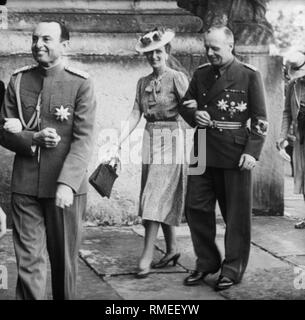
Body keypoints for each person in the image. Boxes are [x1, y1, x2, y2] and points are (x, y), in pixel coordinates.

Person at [0, 21, 96, 299]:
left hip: (64, 187)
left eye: (46, 39)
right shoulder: (18, 81)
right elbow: (4, 133)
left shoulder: (81, 83)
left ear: (65, 45)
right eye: (34, 39)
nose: (38, 44)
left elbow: (83, 140)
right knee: (28, 262)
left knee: (64, 262)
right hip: (25, 185)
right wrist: (33, 139)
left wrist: (67, 183)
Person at [179, 25, 268, 291]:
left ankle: (232, 268)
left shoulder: (248, 75)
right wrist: (194, 115)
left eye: (215, 48)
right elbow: (186, 104)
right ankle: (207, 262)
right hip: (203, 149)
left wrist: (252, 152)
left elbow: (260, 120)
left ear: (231, 46)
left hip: (235, 152)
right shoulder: (201, 74)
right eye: (206, 47)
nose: (209, 52)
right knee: (194, 207)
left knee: (236, 216)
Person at [108, 27, 188, 278]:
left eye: (158, 52)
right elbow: (135, 114)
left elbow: (190, 110)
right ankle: (172, 248)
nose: (154, 57)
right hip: (149, 138)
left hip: (171, 138)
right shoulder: (142, 82)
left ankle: (145, 256)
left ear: (167, 51)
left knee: (153, 196)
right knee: (157, 194)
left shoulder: (177, 77)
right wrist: (119, 140)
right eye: (149, 53)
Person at [278, 51, 305, 229]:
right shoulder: (293, 85)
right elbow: (287, 112)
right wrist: (282, 135)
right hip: (301, 134)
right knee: (303, 176)